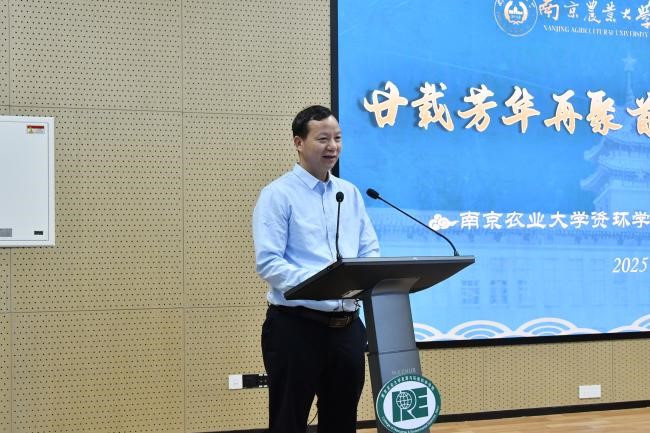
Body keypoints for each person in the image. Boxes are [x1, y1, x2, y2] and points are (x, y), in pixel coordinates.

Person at [252, 105, 380, 433]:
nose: (332, 146)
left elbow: (369, 250)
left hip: (347, 328)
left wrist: (358, 280)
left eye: (337, 138)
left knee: (341, 422)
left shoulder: (349, 193)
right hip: (296, 328)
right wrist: (325, 283)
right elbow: (269, 262)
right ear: (298, 142)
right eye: (323, 139)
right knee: (288, 422)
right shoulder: (277, 195)